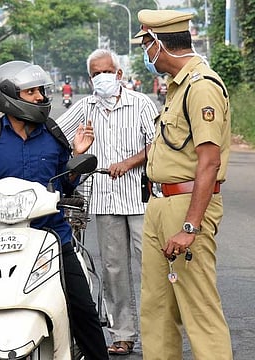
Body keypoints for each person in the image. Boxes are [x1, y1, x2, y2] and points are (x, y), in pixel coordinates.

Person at [0, 60, 109, 360]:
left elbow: (66, 184)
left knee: (83, 309)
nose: (40, 97)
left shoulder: (53, 135)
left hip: (53, 238)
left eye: (40, 91)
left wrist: (78, 157)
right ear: (8, 97)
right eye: (31, 92)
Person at [135, 9, 233, 359]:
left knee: (199, 309)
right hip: (161, 204)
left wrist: (190, 226)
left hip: (186, 207)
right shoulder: (177, 89)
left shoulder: (202, 87)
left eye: (145, 46)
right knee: (156, 308)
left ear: (158, 44)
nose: (145, 55)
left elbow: (209, 162)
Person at [56, 49, 158, 355]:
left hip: (140, 200)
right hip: (103, 199)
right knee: (114, 270)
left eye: (106, 71)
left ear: (119, 74)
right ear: (90, 79)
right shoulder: (85, 107)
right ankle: (122, 334)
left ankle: (158, 332)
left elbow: (157, 144)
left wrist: (128, 163)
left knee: (150, 267)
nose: (102, 77)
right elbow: (54, 132)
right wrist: (75, 151)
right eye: (96, 73)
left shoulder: (140, 103)